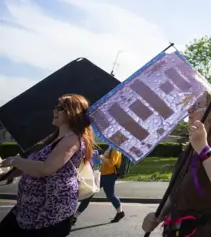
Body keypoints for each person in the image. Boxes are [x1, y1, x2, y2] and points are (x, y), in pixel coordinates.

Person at [141, 92, 211, 236]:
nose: (189, 110)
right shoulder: (189, 150)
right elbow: (175, 194)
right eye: (191, 105)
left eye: (196, 105)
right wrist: (158, 216)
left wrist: (203, 149)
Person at [0, 94, 93, 236]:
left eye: (60, 107)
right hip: (27, 210)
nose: (54, 111)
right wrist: (5, 174)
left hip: (49, 215)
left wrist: (15, 160)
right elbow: (33, 166)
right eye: (55, 107)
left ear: (72, 113)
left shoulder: (73, 139)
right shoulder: (55, 137)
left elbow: (46, 169)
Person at [73, 146, 125, 224]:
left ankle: (120, 212)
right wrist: (96, 157)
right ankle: (75, 217)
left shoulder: (116, 149)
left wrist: (101, 158)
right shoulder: (109, 148)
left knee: (110, 195)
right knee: (89, 193)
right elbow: (102, 162)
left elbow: (112, 163)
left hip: (110, 176)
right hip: (101, 175)